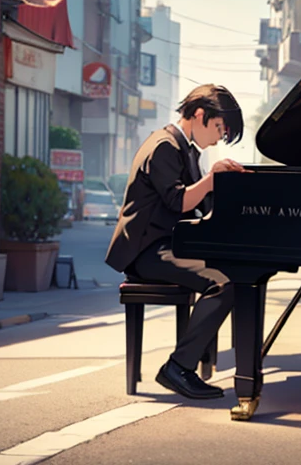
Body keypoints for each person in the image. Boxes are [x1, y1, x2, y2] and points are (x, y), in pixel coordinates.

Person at [106, 84, 249, 399]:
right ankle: (178, 367)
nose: (218, 139)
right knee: (222, 284)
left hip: (167, 245)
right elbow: (178, 202)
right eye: (218, 129)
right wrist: (212, 179)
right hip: (146, 251)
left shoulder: (185, 148)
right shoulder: (164, 146)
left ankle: (201, 362)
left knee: (234, 273)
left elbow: (198, 207)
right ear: (199, 115)